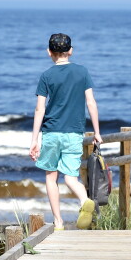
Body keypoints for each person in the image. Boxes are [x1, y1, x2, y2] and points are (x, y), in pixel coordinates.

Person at [29, 33, 103, 230]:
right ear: (70, 51)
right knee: (71, 178)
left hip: (52, 132)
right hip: (74, 132)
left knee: (51, 177)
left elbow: (40, 109)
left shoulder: (46, 76)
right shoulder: (82, 72)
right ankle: (83, 199)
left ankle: (58, 222)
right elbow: (91, 103)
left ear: (49, 52)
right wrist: (97, 132)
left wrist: (34, 139)